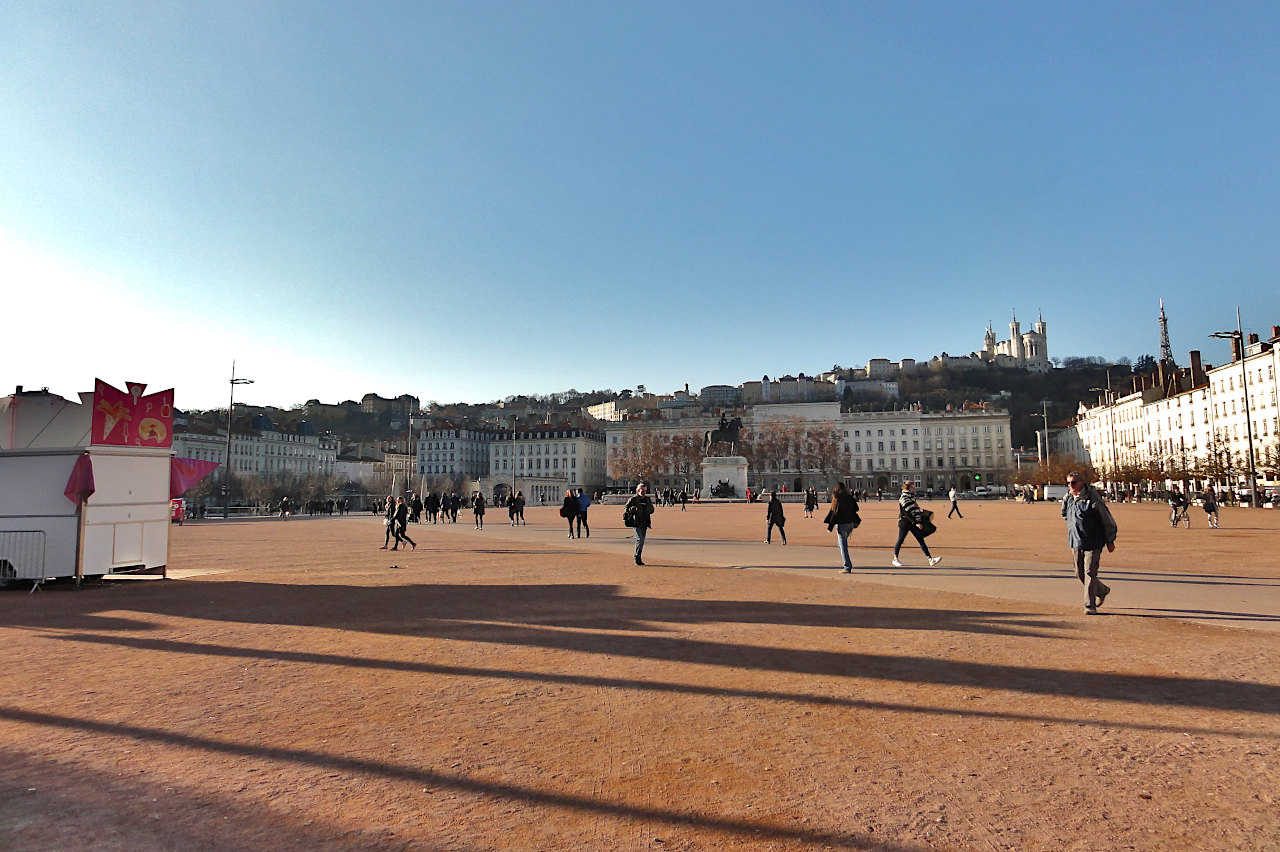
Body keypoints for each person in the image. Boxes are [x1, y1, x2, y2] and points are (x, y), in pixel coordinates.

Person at [1061, 472, 1118, 615]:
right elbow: (1065, 514)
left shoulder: (1093, 499)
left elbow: (1107, 520)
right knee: (1079, 572)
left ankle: (1089, 605)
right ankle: (1102, 590)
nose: (1070, 486)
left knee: (1090, 573)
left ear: (1081, 482)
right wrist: (1074, 528)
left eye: (1073, 483)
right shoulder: (1068, 498)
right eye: (1068, 483)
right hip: (1075, 541)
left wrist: (1110, 540)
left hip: (1093, 542)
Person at [892, 482, 941, 567]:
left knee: (920, 539)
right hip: (905, 523)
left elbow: (913, 508)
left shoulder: (911, 497)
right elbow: (906, 513)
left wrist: (920, 510)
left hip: (913, 522)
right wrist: (916, 523)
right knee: (900, 540)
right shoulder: (904, 497)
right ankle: (895, 559)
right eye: (912, 487)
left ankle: (930, 559)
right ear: (908, 488)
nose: (914, 488)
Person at [825, 482, 860, 573]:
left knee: (843, 545)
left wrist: (830, 526)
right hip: (850, 523)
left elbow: (834, 513)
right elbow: (856, 508)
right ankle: (847, 563)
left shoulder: (837, 498)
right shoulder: (849, 497)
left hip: (841, 524)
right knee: (841, 543)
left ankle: (847, 566)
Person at [624, 483, 655, 565]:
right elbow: (626, 508)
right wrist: (632, 509)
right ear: (638, 490)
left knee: (642, 541)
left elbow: (652, 509)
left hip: (645, 522)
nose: (643, 492)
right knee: (640, 539)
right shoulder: (633, 499)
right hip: (636, 522)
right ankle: (636, 557)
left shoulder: (647, 500)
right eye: (642, 490)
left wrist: (649, 509)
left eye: (645, 490)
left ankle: (638, 556)